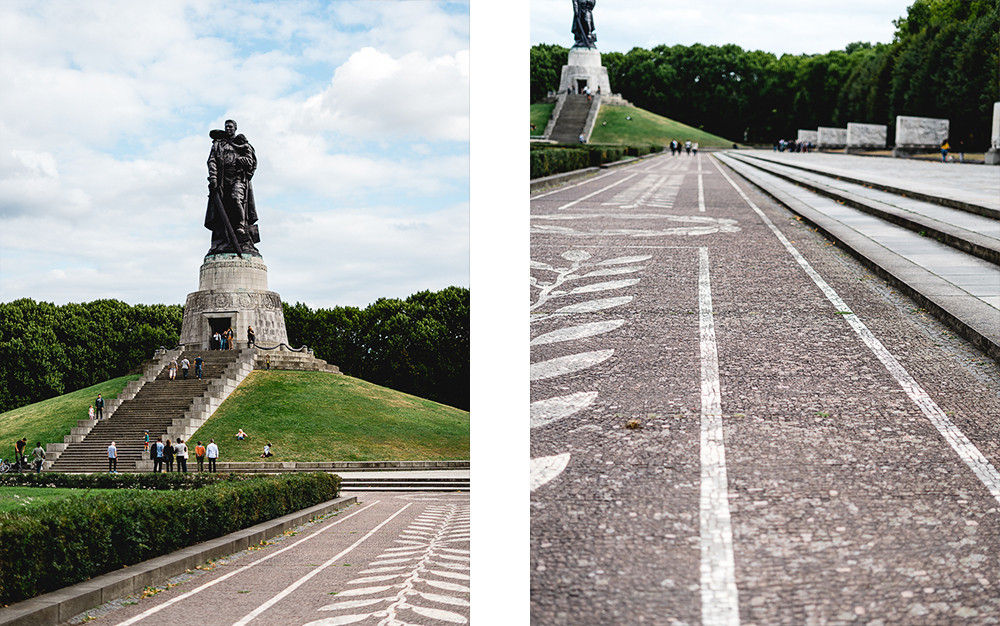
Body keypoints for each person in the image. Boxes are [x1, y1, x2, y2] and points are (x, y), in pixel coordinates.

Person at [205, 119, 260, 256]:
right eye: (226, 126)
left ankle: (241, 227)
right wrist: (213, 177)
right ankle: (224, 238)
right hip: (222, 182)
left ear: (235, 128)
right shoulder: (219, 144)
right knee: (223, 209)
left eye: (231, 126)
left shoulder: (242, 144)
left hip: (238, 179)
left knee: (237, 200)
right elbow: (212, 161)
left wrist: (244, 162)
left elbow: (252, 162)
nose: (228, 128)